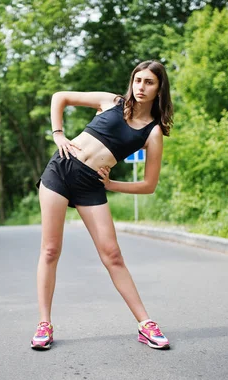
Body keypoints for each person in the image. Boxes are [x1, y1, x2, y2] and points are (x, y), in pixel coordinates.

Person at [30, 60, 174, 351]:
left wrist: (111, 185)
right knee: (50, 250)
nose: (141, 87)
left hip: (91, 185)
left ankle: (146, 324)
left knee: (113, 255)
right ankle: (44, 324)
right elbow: (60, 97)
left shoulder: (152, 132)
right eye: (137, 80)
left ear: (159, 89)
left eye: (149, 82)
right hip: (61, 170)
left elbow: (149, 185)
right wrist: (58, 134)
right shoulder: (112, 102)